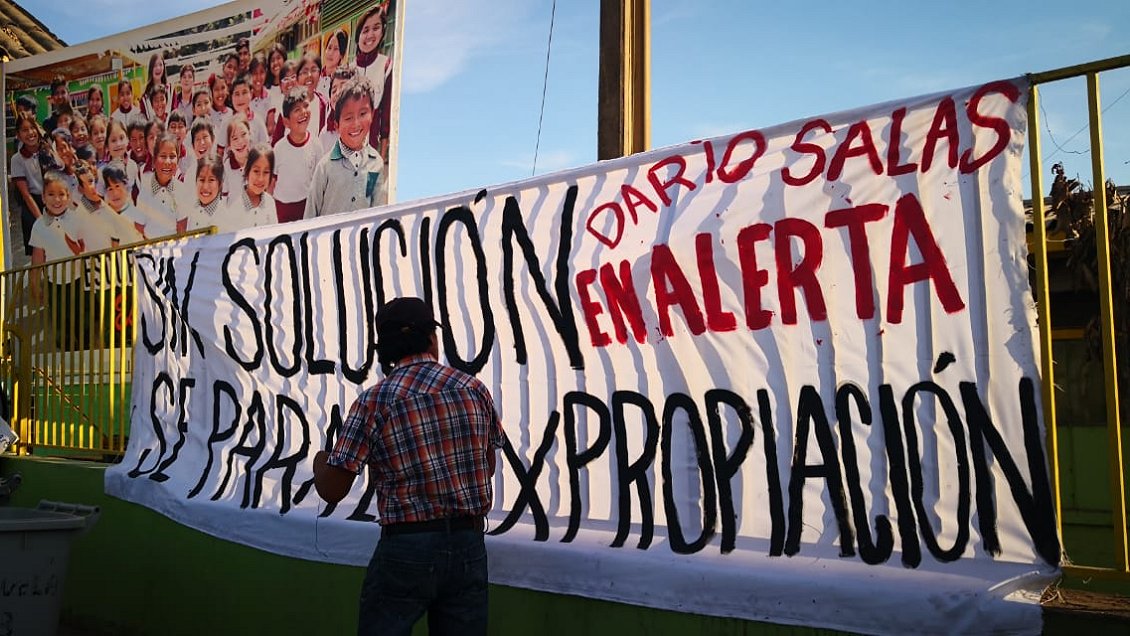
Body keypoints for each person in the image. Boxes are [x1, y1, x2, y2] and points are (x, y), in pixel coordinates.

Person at [313, 297, 504, 636]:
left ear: (384, 348)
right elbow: (486, 465)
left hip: (406, 547)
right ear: (432, 338)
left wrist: (321, 461)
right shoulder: (474, 389)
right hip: (468, 544)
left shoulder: (375, 400)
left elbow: (332, 489)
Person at [304, 75, 386, 218]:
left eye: (362, 114)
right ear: (337, 125)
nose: (356, 123)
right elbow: (310, 215)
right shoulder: (324, 168)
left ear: (372, 115)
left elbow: (377, 213)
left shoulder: (376, 164)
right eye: (348, 118)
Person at [272, 87, 322, 223]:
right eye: (296, 110)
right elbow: (272, 183)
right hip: (282, 208)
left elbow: (319, 181)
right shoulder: (279, 148)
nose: (303, 112)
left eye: (306, 106)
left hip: (306, 206)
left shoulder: (316, 145)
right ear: (286, 122)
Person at [234, 144, 276, 228]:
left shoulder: (270, 202)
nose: (260, 178)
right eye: (256, 171)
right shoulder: (234, 203)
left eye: (266, 172)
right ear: (247, 171)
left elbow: (273, 234)